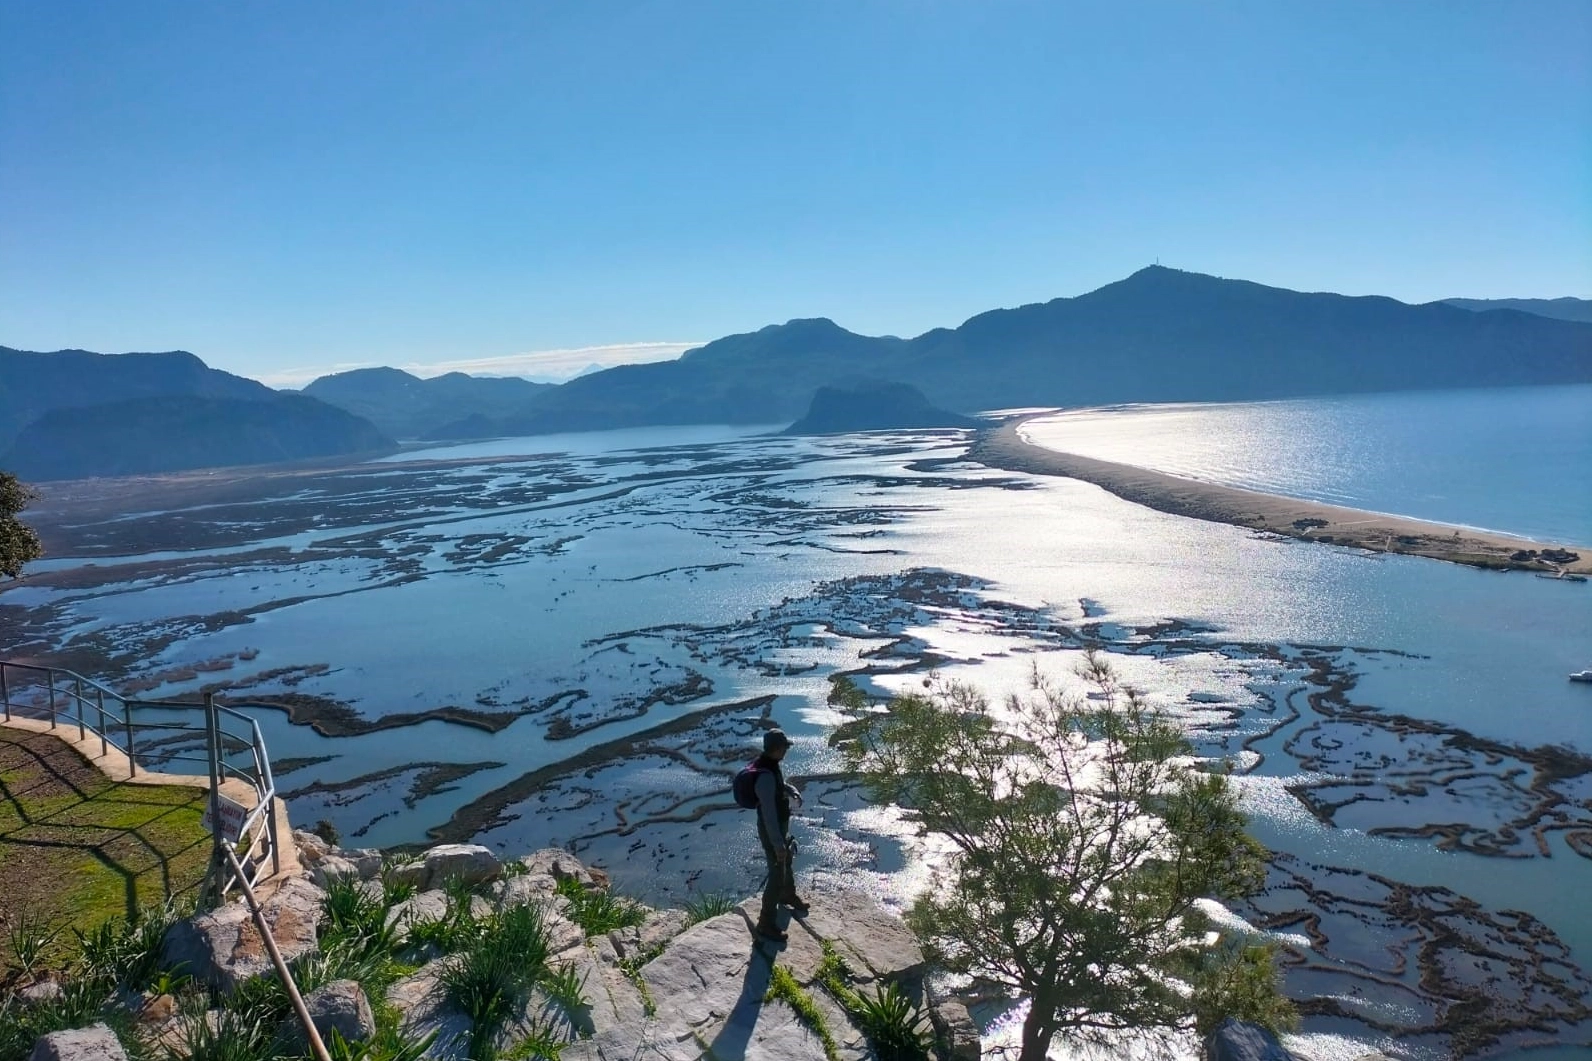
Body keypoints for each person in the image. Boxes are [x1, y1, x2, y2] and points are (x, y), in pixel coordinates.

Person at [753, 728, 808, 942]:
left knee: (787, 861)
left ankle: (787, 894)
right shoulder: (765, 775)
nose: (786, 750)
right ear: (776, 749)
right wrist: (777, 844)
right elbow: (768, 813)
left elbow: (778, 786)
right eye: (784, 747)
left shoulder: (770, 766)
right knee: (776, 873)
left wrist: (791, 790)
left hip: (779, 826)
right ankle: (765, 923)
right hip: (772, 829)